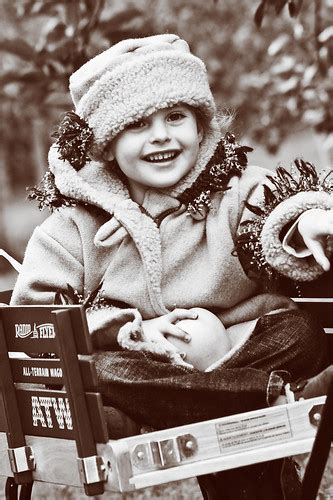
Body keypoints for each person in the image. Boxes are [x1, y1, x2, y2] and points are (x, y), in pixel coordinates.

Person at [11, 34, 333, 498]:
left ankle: (224, 395)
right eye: (138, 123)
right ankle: (261, 398)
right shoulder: (74, 227)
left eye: (175, 117)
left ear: (200, 126)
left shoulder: (233, 188)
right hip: (150, 365)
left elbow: (278, 212)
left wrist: (307, 221)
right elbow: (39, 313)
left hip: (247, 343)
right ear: (105, 143)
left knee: (300, 333)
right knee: (98, 374)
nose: (161, 135)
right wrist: (130, 331)